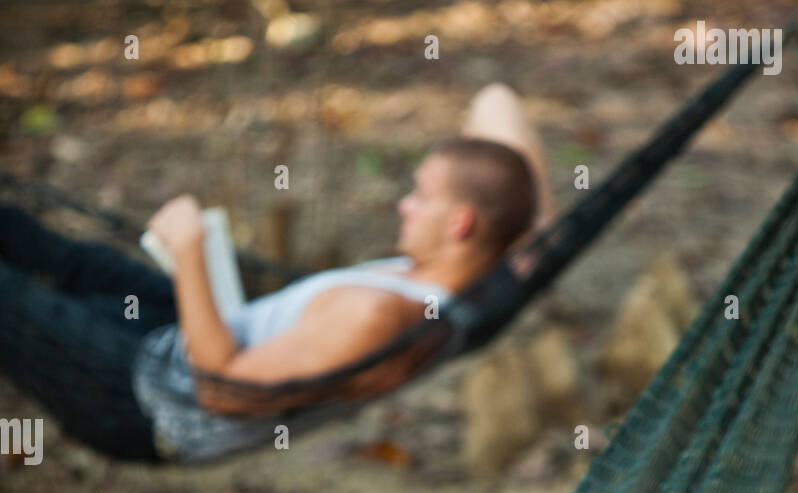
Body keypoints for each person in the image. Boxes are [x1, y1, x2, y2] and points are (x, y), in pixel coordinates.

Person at [0, 85, 554, 464]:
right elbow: (495, 101)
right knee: (59, 255)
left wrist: (189, 249)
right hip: (179, 339)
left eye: (421, 196)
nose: (404, 205)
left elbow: (219, 388)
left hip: (143, 401)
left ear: (460, 223)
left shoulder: (379, 316)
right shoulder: (486, 267)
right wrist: (534, 219)